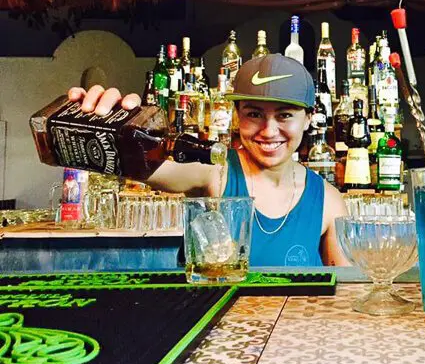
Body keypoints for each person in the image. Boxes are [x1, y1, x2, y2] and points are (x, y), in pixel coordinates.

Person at [68, 54, 349, 267]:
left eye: (285, 115)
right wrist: (98, 124)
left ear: (309, 118)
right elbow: (143, 166)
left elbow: (349, 293)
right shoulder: (217, 171)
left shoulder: (328, 201)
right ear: (237, 116)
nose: (269, 130)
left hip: (292, 339)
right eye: (254, 114)